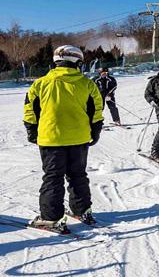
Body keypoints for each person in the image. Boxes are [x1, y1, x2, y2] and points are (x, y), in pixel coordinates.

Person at [23, 45, 104, 232]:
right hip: (79, 138)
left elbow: (30, 110)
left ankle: (51, 218)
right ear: (78, 62)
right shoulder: (87, 84)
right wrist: (95, 131)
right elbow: (96, 111)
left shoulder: (40, 84)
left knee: (53, 176)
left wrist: (31, 131)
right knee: (78, 174)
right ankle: (82, 210)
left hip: (51, 139)